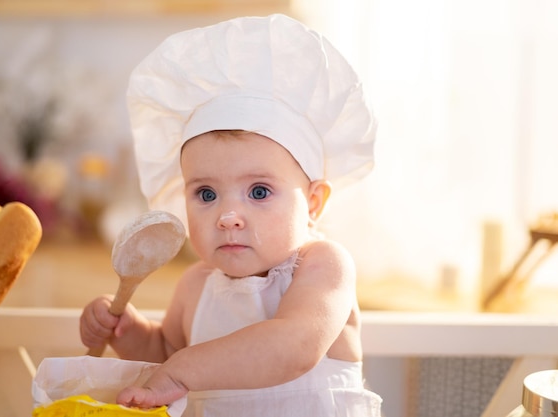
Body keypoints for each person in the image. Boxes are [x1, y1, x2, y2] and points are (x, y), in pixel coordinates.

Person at [80, 13, 382, 417]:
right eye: (206, 193)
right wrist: (129, 332)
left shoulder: (323, 265)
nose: (228, 216)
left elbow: (295, 347)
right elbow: (166, 354)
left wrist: (181, 372)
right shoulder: (196, 285)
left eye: (259, 191)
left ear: (313, 203)